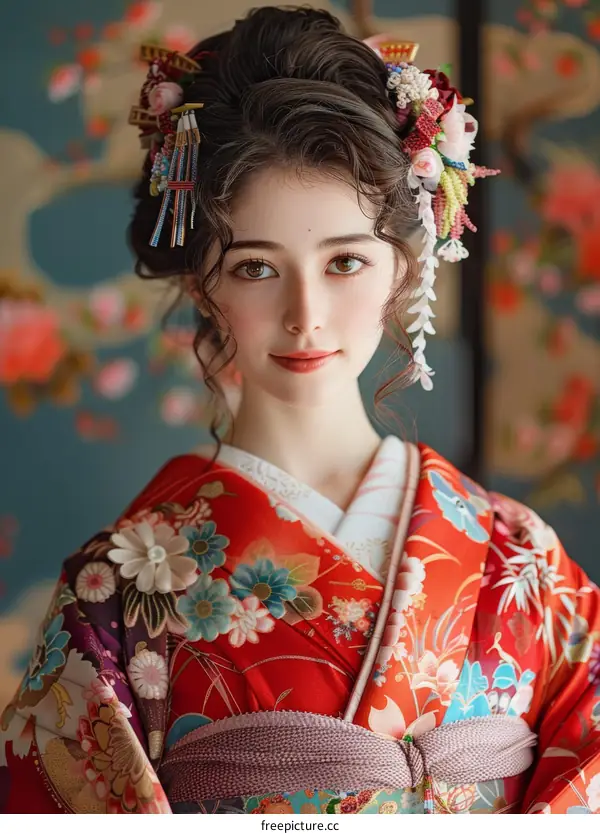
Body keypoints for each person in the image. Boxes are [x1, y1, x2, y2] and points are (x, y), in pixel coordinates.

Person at [1, 5, 599, 816]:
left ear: (402, 264)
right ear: (199, 283)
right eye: (255, 268)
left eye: (345, 260)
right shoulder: (114, 593)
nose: (305, 314)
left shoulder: (519, 556)